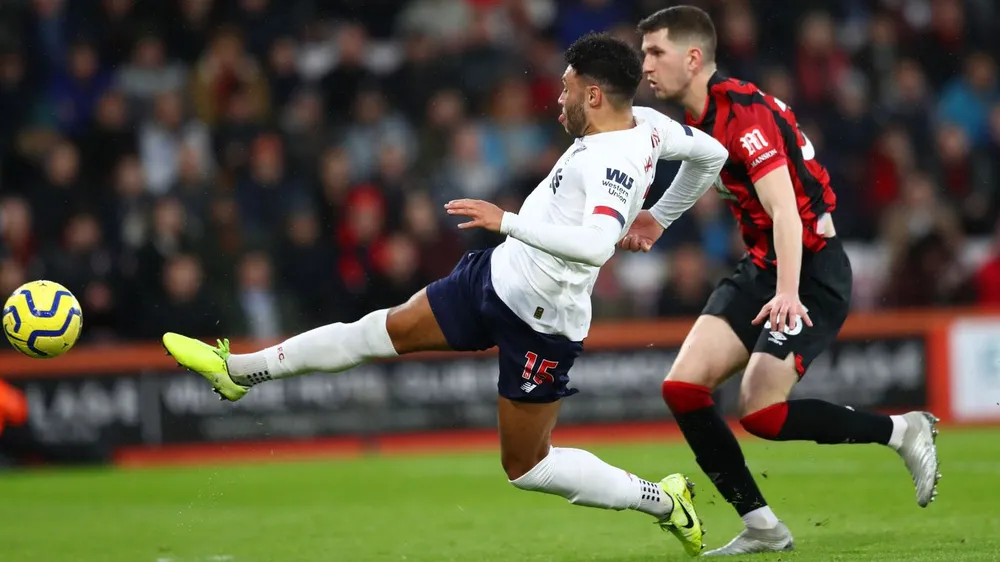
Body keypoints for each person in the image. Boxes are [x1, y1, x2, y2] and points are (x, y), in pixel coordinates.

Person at [162, 32, 729, 557]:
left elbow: (595, 245)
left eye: (567, 88)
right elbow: (712, 156)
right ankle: (239, 371)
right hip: (495, 277)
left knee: (527, 467)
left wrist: (505, 220)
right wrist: (660, 219)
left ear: (596, 94)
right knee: (374, 332)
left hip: (542, 322)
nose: (559, 99)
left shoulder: (615, 162)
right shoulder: (650, 125)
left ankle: (663, 500)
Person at [623, 6, 941, 556]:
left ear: (693, 58)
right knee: (682, 387)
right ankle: (763, 526)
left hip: (810, 271)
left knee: (761, 414)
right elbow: (704, 170)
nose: (645, 64)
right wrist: (659, 218)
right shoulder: (701, 116)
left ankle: (901, 430)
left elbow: (787, 212)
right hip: (766, 264)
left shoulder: (741, 116)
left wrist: (788, 292)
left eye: (656, 52)